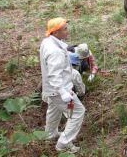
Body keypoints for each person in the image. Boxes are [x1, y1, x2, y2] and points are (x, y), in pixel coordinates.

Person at [40, 18, 85, 153]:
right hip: (60, 90)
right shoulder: (55, 52)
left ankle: (50, 133)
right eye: (64, 29)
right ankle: (63, 144)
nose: (67, 31)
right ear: (55, 32)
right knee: (77, 112)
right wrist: (64, 93)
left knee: (54, 110)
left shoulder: (46, 42)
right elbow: (54, 75)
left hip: (50, 90)